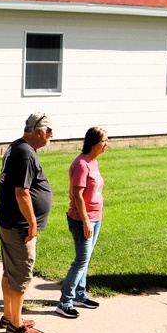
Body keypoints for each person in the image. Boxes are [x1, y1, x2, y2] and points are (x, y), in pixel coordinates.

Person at [0, 112, 54, 333]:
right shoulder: (25, 153)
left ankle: (10, 315)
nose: (51, 136)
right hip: (19, 225)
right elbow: (22, 193)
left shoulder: (17, 147)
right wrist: (32, 223)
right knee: (21, 273)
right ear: (39, 132)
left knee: (10, 271)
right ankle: (16, 324)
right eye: (49, 132)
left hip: (9, 220)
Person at [56, 127, 108, 318]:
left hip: (96, 217)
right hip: (81, 219)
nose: (107, 144)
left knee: (85, 260)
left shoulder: (93, 162)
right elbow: (77, 195)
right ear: (94, 142)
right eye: (104, 141)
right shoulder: (81, 164)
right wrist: (86, 222)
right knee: (81, 260)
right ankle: (64, 302)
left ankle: (79, 295)